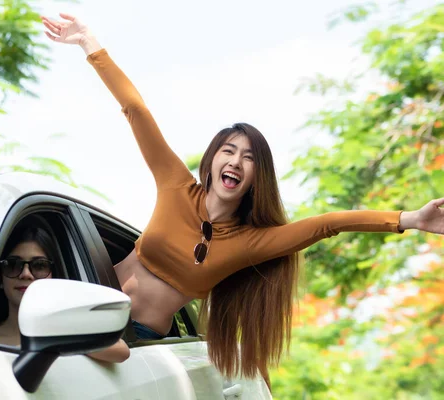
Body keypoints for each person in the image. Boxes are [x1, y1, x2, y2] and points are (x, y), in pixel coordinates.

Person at [39, 13, 444, 386]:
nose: (236, 161)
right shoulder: (175, 185)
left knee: (111, 352)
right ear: (213, 159)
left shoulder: (252, 242)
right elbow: (136, 110)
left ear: (256, 177)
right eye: (229, 150)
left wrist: (410, 219)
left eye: (249, 157)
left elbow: (328, 224)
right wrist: (91, 45)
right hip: (89, 304)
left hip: (137, 344)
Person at [0, 218, 130, 363]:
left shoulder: (63, 331)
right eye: (13, 265)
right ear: (0, 278)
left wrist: (56, 338)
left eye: (39, 265)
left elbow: (121, 351)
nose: (26, 274)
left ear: (54, 278)